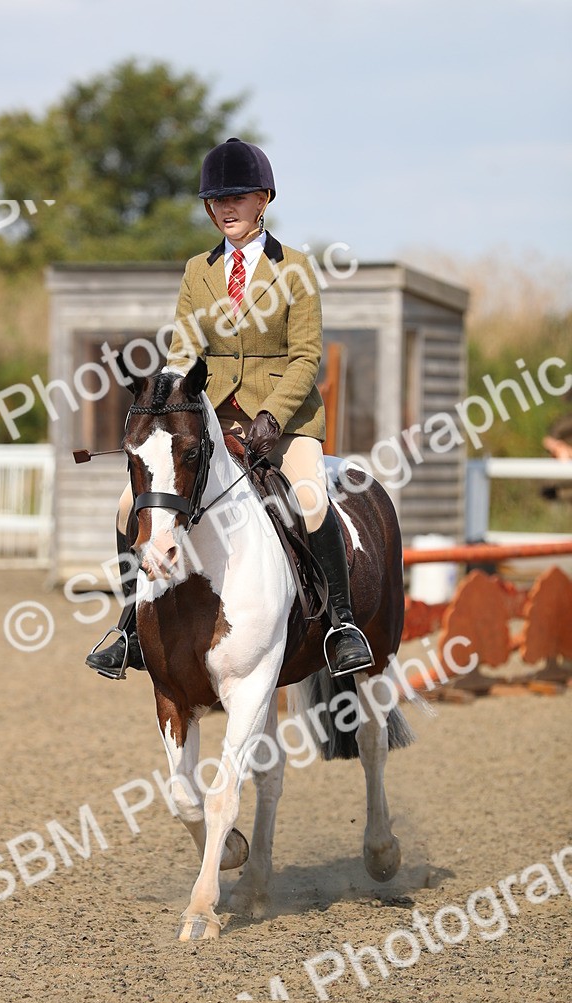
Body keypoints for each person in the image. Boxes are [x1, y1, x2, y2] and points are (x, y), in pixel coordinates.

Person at [86, 137, 373, 680]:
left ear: (263, 198)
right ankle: (131, 625)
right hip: (212, 421)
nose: (226, 208)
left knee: (310, 499)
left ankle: (340, 624)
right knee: (130, 504)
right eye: (216, 200)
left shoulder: (298, 269)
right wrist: (167, 408)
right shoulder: (199, 270)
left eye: (237, 197)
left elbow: (307, 356)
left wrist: (273, 417)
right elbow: (183, 350)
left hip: (283, 422)